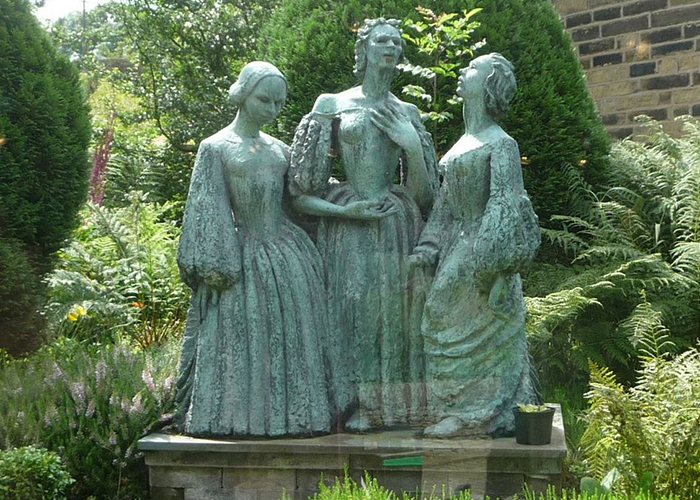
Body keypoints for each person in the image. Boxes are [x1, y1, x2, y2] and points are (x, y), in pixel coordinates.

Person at [289, 18, 439, 431]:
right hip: (347, 226)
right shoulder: (331, 105)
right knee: (348, 311)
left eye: (396, 40)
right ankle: (343, 404)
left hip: (395, 224)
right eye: (381, 39)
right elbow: (301, 191)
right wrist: (344, 212)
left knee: (392, 316)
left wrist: (411, 143)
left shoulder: (407, 112)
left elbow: (424, 196)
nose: (390, 45)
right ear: (365, 50)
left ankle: (385, 407)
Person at [175, 61, 332, 437]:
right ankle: (234, 420)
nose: (273, 110)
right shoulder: (214, 148)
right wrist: (213, 267)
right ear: (243, 95)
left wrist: (344, 208)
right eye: (265, 100)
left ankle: (297, 418)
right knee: (241, 342)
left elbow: (299, 200)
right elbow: (206, 209)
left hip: (288, 258)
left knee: (291, 342)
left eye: (279, 103)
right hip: (241, 260)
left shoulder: (280, 149)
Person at [410, 53, 541, 438]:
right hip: (455, 245)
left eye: (472, 69)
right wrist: (429, 245)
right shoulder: (463, 142)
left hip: (482, 249)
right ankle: (455, 407)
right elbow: (445, 207)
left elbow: (507, 204)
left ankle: (476, 413)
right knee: (438, 320)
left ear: (486, 86)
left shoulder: (502, 144)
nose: (463, 72)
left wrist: (499, 267)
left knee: (450, 321)